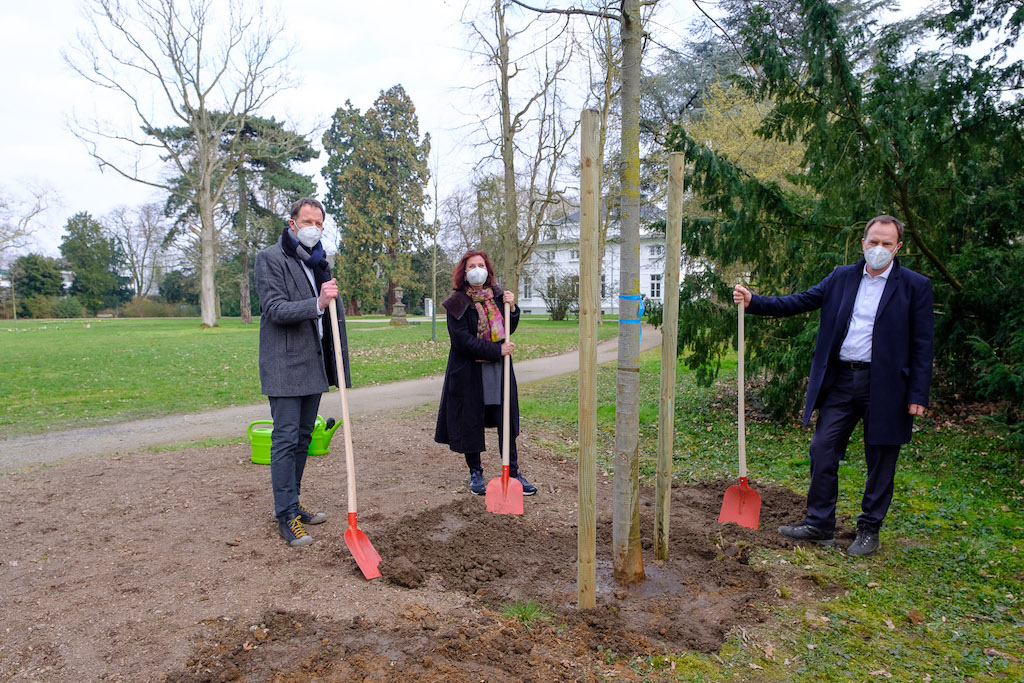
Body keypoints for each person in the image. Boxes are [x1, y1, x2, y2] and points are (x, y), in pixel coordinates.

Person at [733, 215, 933, 556]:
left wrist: (917, 393)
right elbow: (800, 301)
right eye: (874, 242)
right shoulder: (842, 277)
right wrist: (756, 301)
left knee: (881, 459)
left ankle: (869, 529)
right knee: (822, 449)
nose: (879, 249)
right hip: (840, 379)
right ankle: (819, 523)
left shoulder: (915, 285)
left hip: (887, 387)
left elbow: (922, 343)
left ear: (898, 247)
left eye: (887, 243)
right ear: (863, 243)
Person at [254, 197, 351, 547]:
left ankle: (292, 503)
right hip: (283, 364)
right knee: (285, 439)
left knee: (303, 440)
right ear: (292, 223)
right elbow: (275, 309)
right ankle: (285, 517)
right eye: (307, 221)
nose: (313, 228)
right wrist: (318, 303)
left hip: (312, 363)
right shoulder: (270, 258)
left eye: (319, 223)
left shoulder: (318, 262)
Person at [435, 250, 538, 497]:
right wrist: (498, 349)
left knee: (506, 418)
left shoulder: (499, 297)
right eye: (472, 266)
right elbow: (462, 341)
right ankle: (476, 473)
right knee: (470, 421)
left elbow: (508, 329)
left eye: (481, 265)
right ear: (464, 272)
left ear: (488, 270)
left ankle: (512, 471)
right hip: (469, 372)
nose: (477, 269)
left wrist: (512, 309)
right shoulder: (456, 303)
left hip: (497, 370)